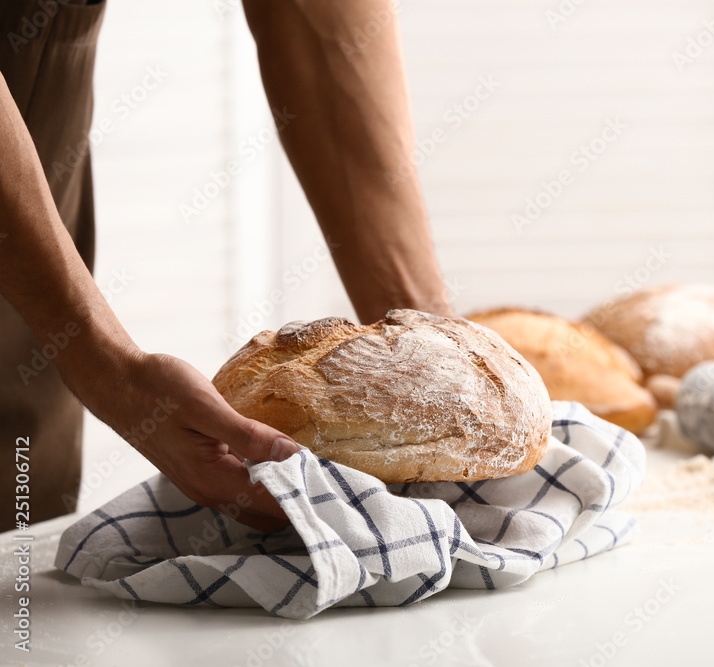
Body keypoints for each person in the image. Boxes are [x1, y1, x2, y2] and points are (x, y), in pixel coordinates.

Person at [0, 0, 453, 532]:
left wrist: (432, 345)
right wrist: (109, 368)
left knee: (17, 553)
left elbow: (314, 20)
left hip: (31, 178)